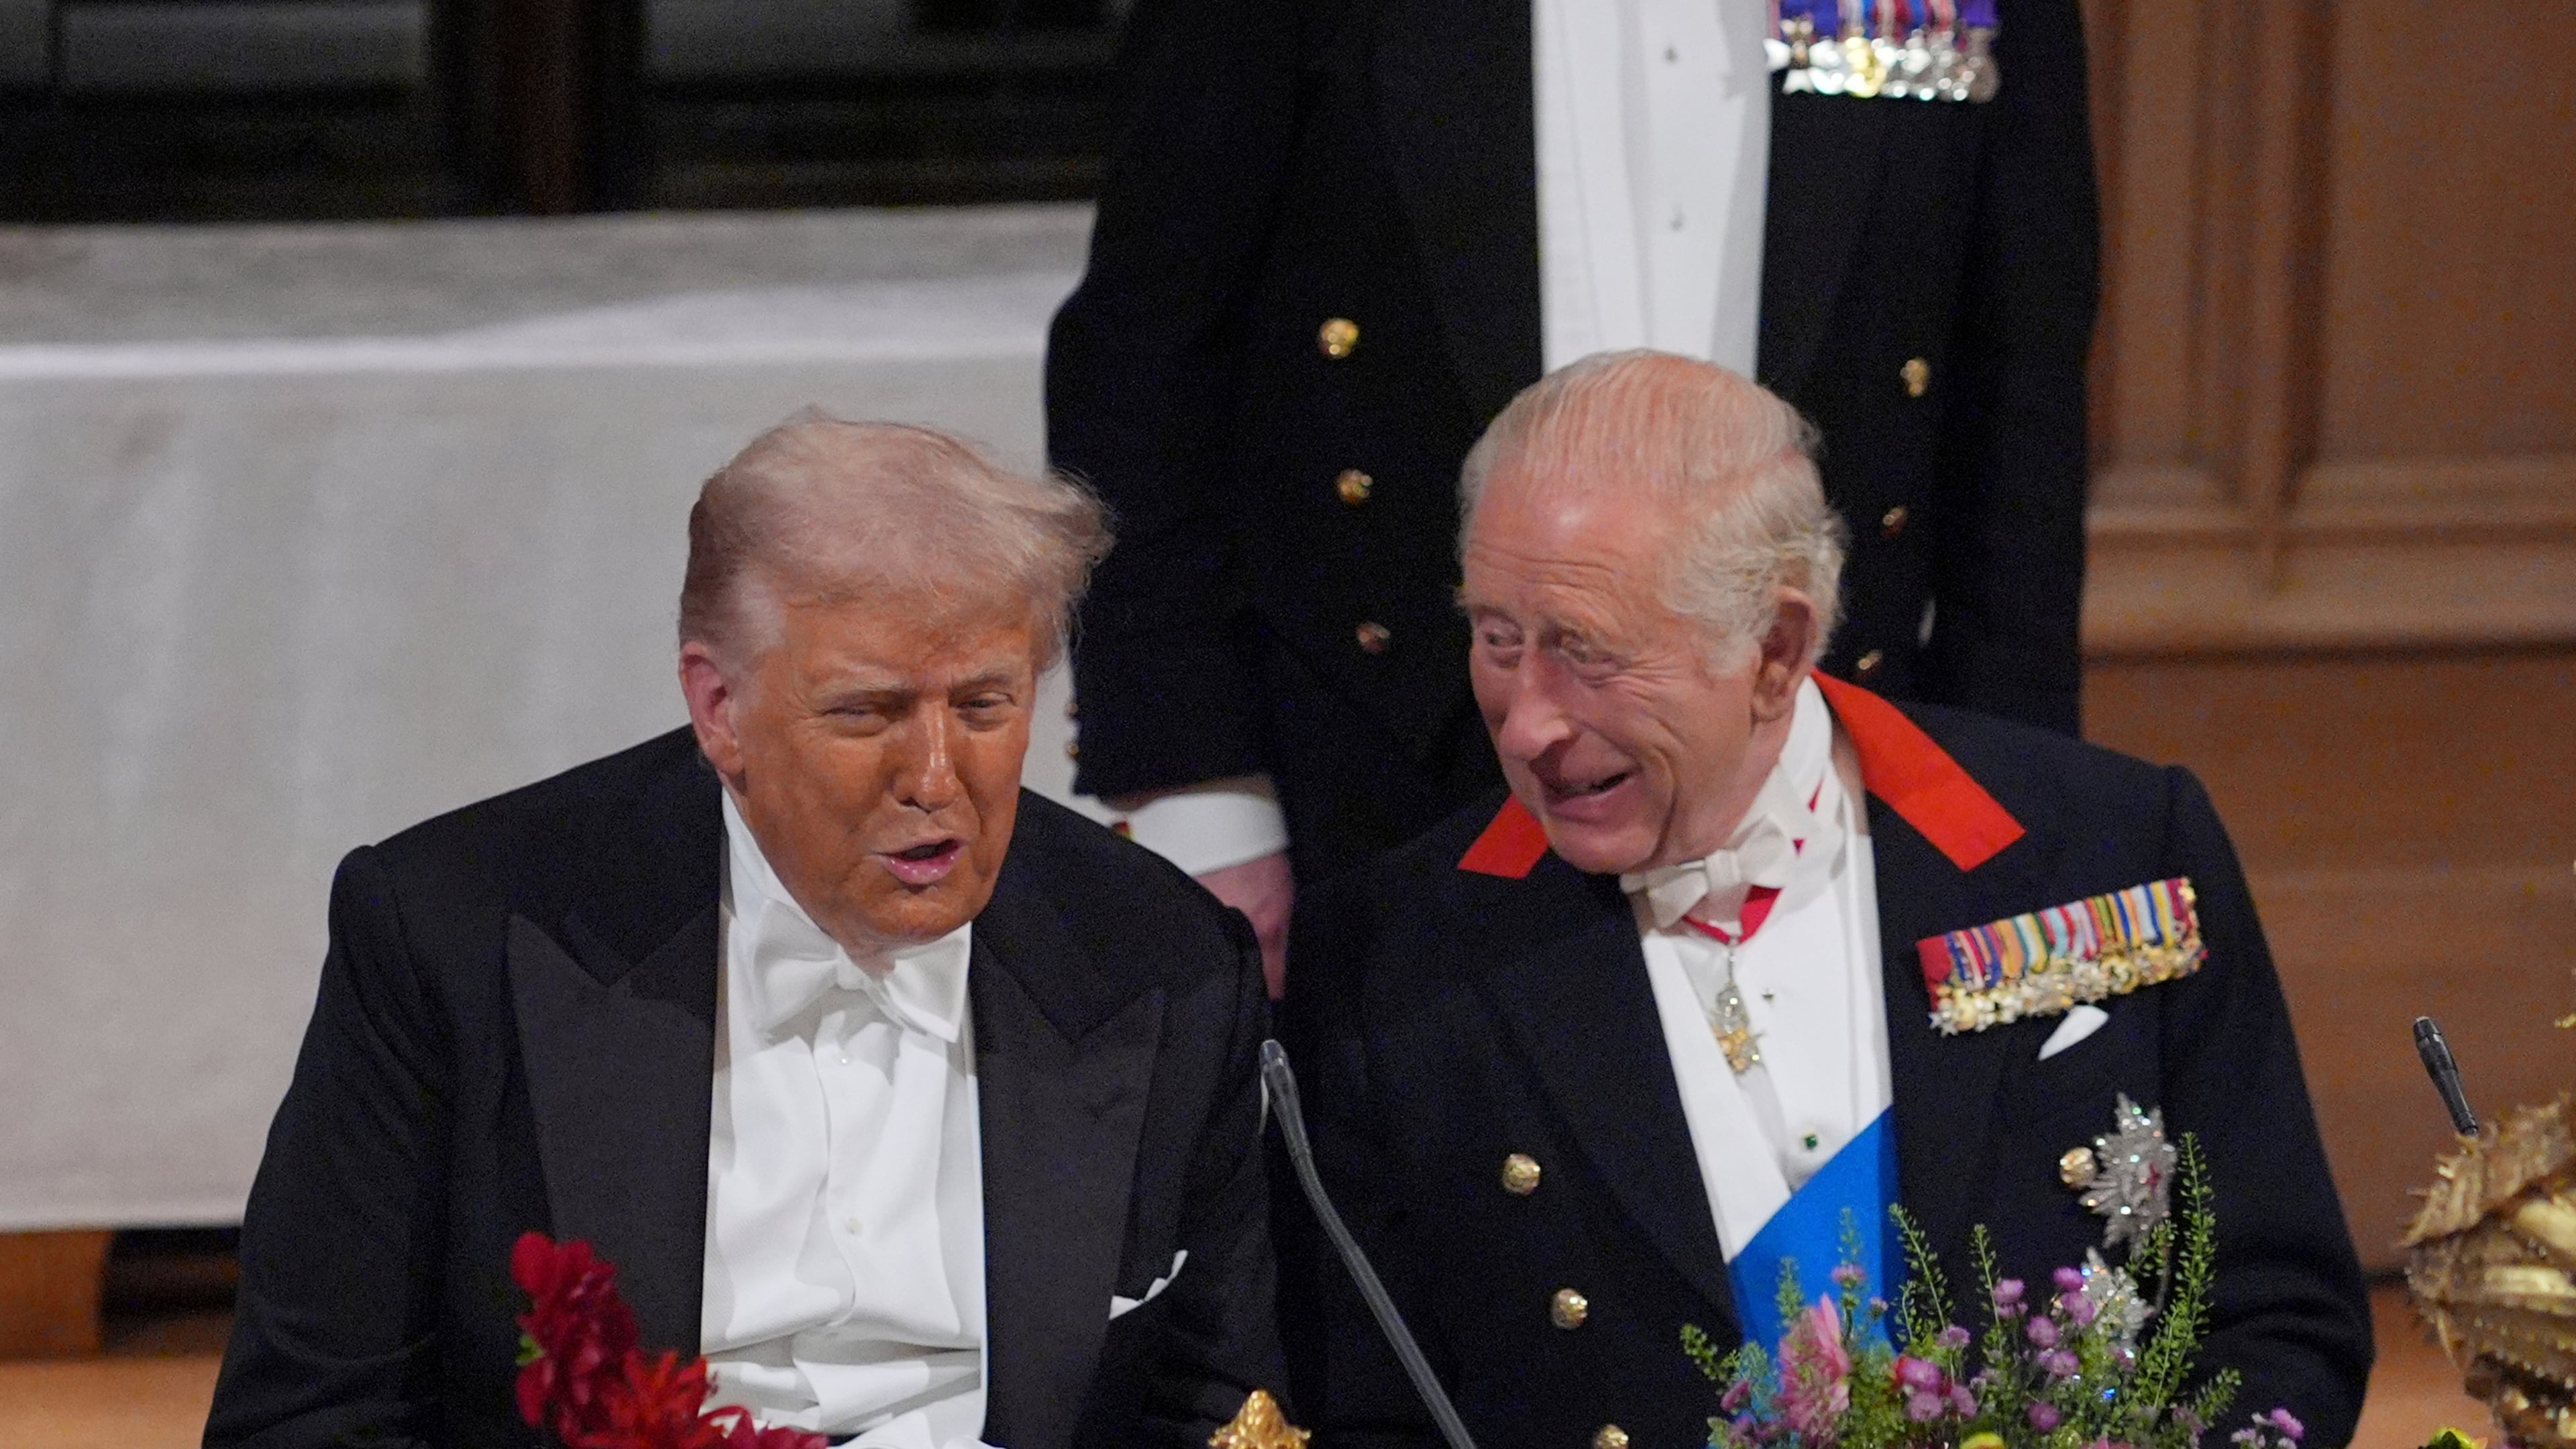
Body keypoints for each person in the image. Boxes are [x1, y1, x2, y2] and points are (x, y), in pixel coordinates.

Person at [1277, 354, 2371, 1448]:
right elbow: (1369, 1412)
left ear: (1777, 648)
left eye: (1587, 652)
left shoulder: (2111, 847)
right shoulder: (1387, 956)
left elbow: (2277, 1317)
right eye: (1498, 641)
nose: (1525, 727)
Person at [207, 417, 1287, 1448]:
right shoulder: (453, 935)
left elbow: (1220, 1409)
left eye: (985, 706)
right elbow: (308, 1416)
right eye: (866, 712)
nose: (934, 780)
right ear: (718, 707)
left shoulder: (1164, 959)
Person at [1046, 0, 2100, 983]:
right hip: (1388, 781)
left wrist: (2001, 793)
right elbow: (1147, 347)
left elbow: (2024, 382)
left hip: (1831, 756)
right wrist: (1201, 803)